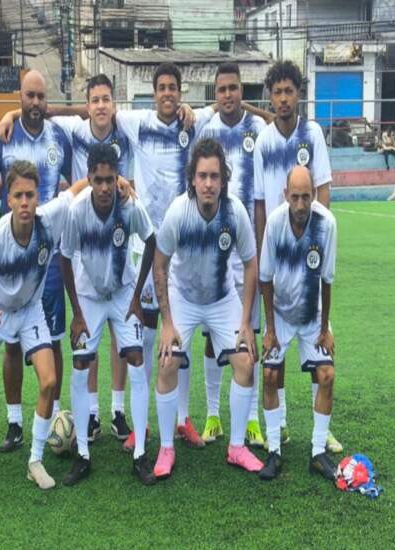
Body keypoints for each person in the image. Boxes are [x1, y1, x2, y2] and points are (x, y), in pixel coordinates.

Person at [0, 74, 133, 443]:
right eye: (94, 100)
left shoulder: (122, 128)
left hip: (108, 243)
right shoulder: (68, 130)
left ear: (114, 104)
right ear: (86, 106)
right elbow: (41, 110)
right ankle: (83, 415)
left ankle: (111, 411)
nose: (100, 106)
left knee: (112, 336)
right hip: (66, 246)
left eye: (106, 99)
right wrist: (10, 114)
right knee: (80, 337)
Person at [0, 161, 89, 496]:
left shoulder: (49, 220)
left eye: (30, 195)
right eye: (18, 196)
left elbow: (76, 189)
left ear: (38, 197)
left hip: (30, 312)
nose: (25, 202)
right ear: (8, 200)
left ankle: (35, 462)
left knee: (49, 381)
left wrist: (118, 181)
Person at [115, 62, 217, 451]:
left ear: (180, 91)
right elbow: (95, 112)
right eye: (162, 87)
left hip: (182, 251)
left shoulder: (192, 123)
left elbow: (226, 106)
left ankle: (182, 420)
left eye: (174, 87)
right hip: (147, 247)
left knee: (180, 342)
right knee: (144, 338)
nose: (168, 93)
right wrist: (14, 116)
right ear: (154, 92)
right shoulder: (137, 122)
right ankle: (141, 425)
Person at [153, 138, 264, 479]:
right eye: (202, 176)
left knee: (245, 361)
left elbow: (251, 265)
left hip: (221, 299)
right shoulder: (178, 212)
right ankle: (166, 448)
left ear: (223, 180)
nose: (208, 184)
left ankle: (236, 447)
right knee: (168, 361)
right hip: (183, 299)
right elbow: (160, 265)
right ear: (192, 178)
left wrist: (246, 322)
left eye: (215, 176)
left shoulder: (235, 212)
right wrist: (167, 324)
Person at [253, 60, 342, 453]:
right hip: (277, 247)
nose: (284, 98)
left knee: (315, 338)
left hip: (309, 246)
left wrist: (315, 241)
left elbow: (323, 189)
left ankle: (321, 428)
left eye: (289, 91)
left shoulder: (314, 133)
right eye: (277, 92)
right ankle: (284, 422)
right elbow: (260, 201)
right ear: (270, 97)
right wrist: (262, 250)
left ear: (299, 95)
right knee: (277, 348)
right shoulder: (263, 141)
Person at [0, 70, 72, 454]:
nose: (35, 102)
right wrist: (11, 203)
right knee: (13, 344)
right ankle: (15, 422)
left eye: (40, 96)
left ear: (46, 100)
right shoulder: (4, 137)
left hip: (48, 258)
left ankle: (54, 416)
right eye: (29, 96)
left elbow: (72, 184)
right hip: (12, 258)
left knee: (53, 340)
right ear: (20, 97)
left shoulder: (59, 138)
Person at [60, 144, 157, 486]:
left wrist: (137, 297)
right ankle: (82, 454)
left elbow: (151, 240)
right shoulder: (76, 211)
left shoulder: (129, 206)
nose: (104, 187)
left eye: (109, 180)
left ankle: (140, 454)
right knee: (80, 364)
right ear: (88, 178)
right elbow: (65, 257)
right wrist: (76, 312)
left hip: (122, 294)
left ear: (118, 179)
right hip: (88, 296)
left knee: (136, 359)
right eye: (98, 180)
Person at [191, 62, 267, 447]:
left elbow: (261, 196)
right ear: (215, 94)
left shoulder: (259, 129)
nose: (227, 95)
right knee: (212, 336)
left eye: (233, 88)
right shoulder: (207, 131)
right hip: (215, 251)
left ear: (242, 92)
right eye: (221, 89)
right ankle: (212, 414)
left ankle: (251, 419)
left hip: (247, 249)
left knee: (248, 333)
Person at [258, 166, 337, 481]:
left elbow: (327, 280)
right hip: (280, 311)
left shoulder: (327, 223)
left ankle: (317, 452)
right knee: (269, 374)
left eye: (306, 197)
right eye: (295, 197)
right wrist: (270, 330)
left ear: (314, 194)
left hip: (312, 313)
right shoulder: (275, 222)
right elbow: (265, 279)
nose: (301, 204)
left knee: (327, 375)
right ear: (285, 195)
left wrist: (325, 329)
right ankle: (274, 451)